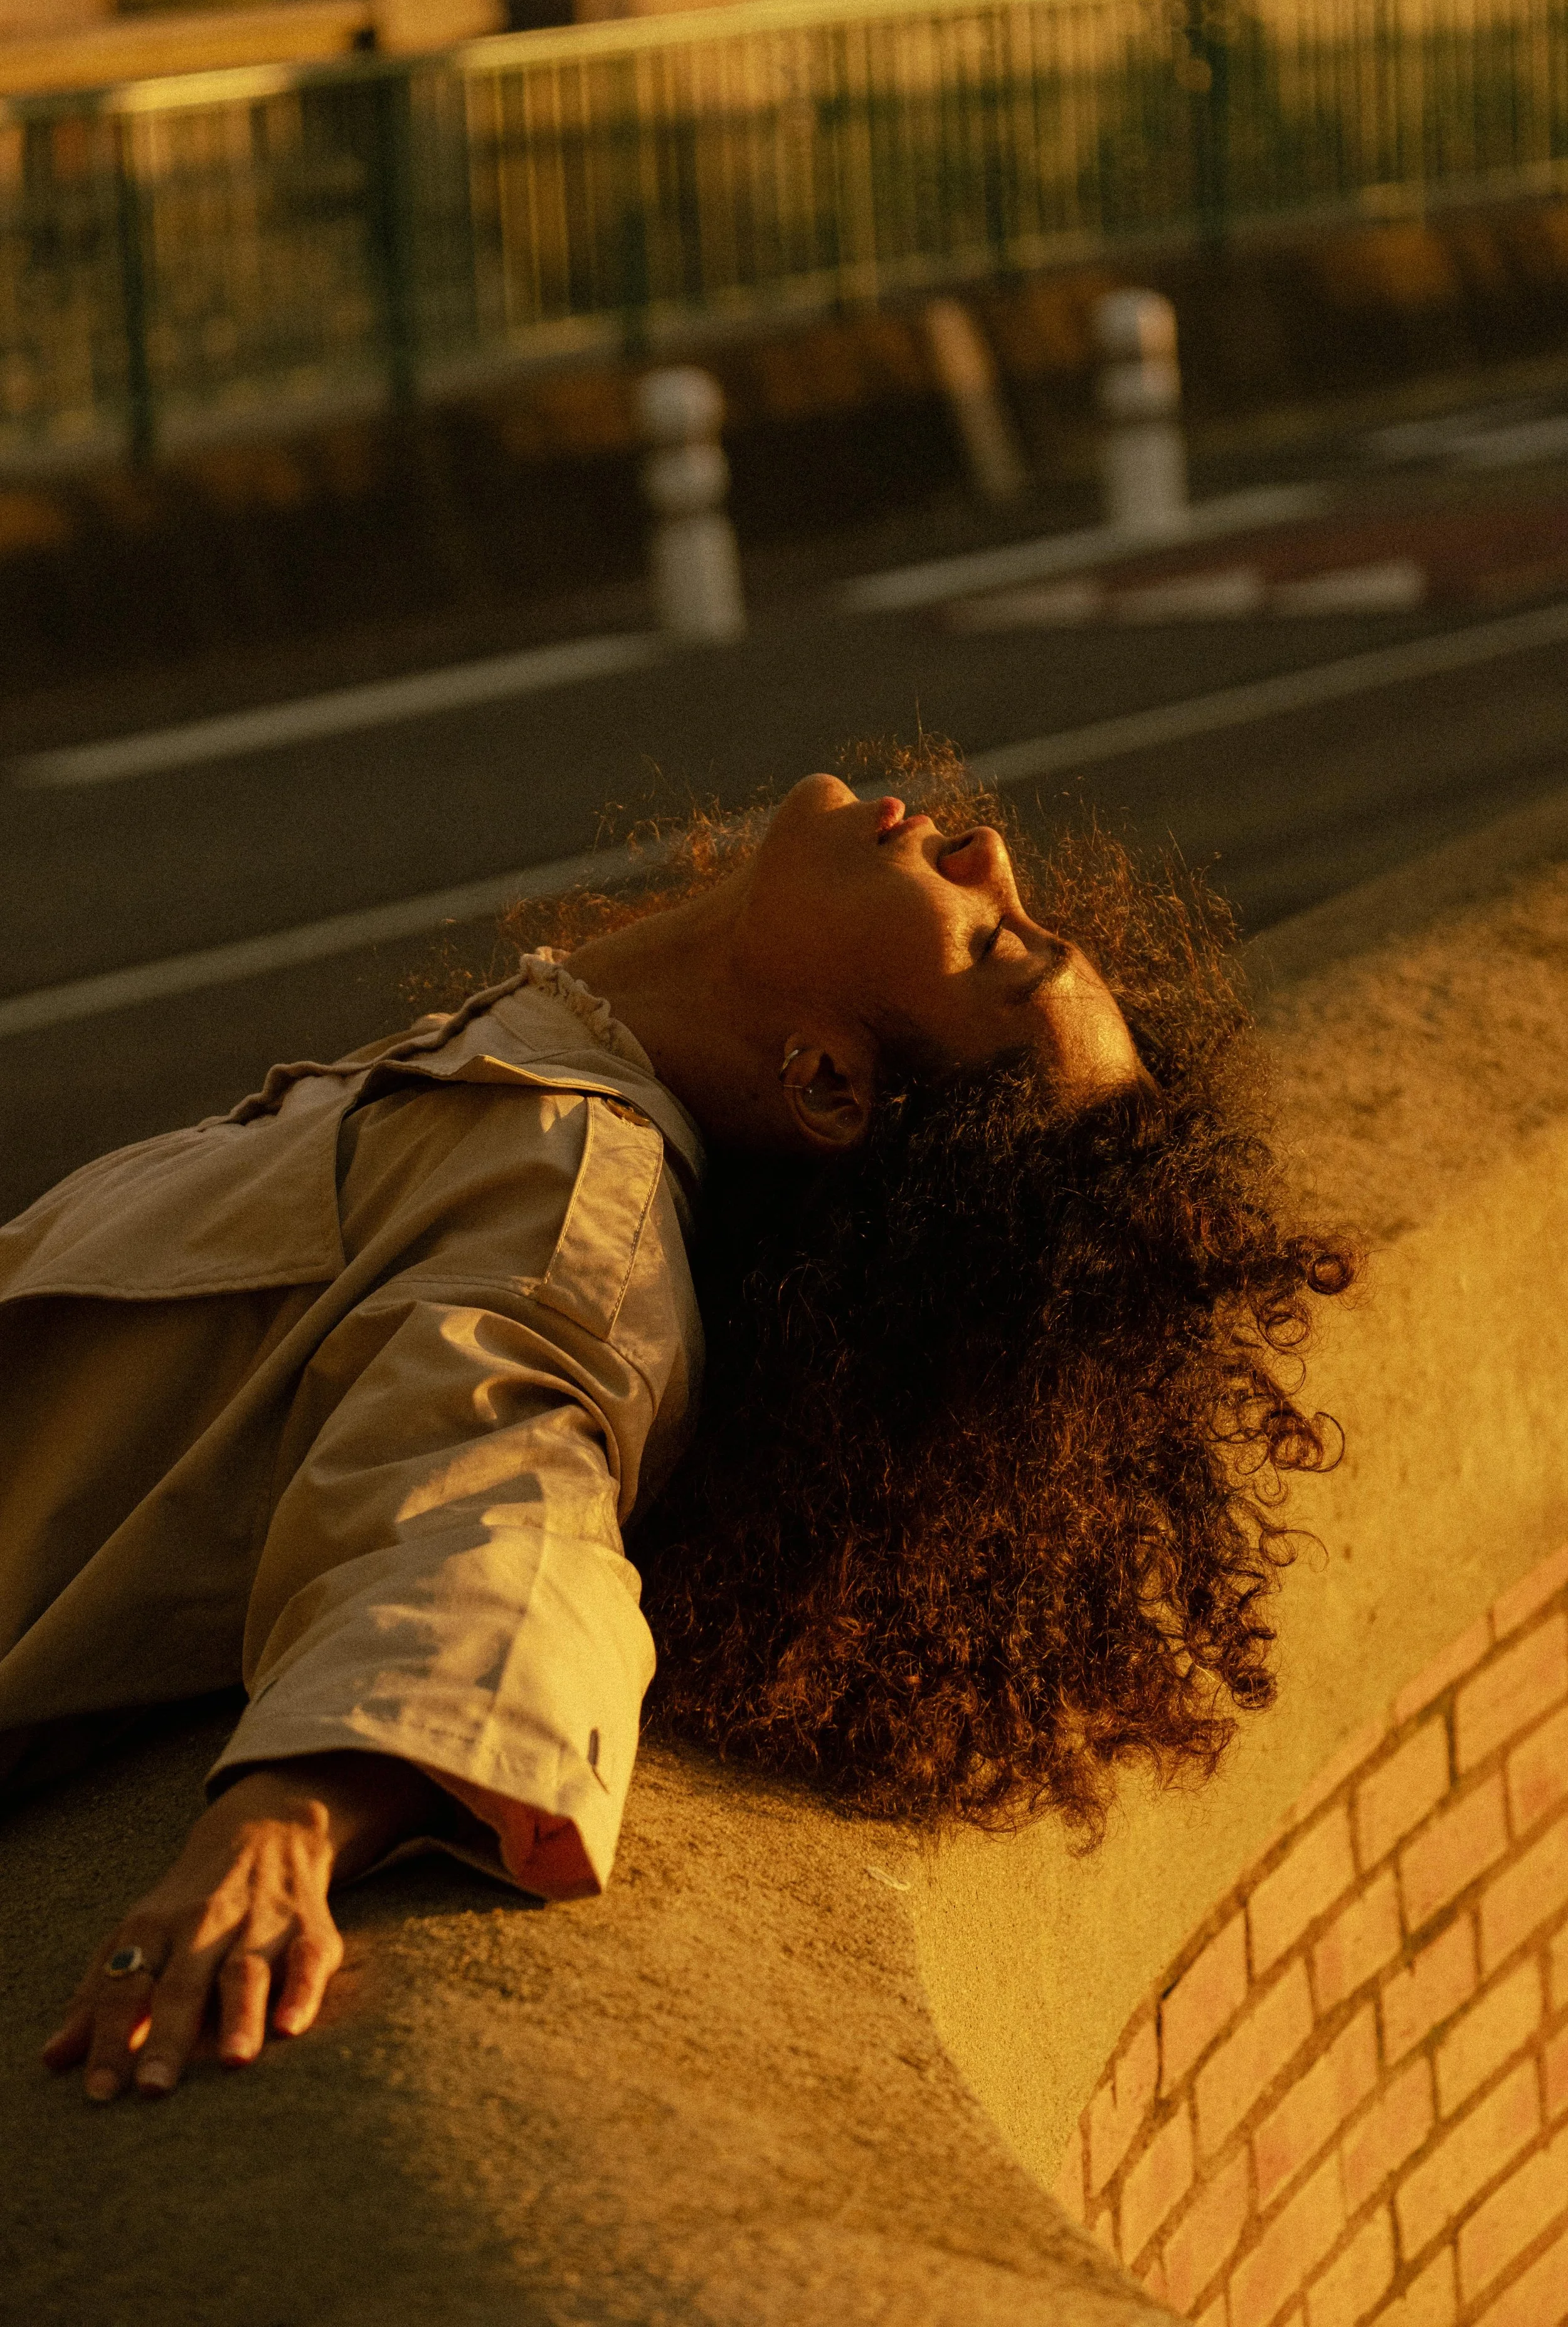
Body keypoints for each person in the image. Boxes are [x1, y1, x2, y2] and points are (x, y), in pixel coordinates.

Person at [2, 755, 1350, 2106]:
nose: (988, 848)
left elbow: (506, 1504)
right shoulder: (546, 1072)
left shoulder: (570, 1203)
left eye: (996, 944)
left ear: (827, 1083)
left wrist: (288, 1817)